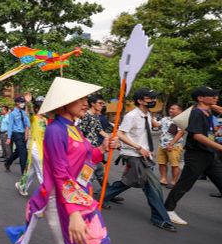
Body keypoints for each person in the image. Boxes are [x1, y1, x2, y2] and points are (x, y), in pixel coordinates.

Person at [5, 77, 123, 244]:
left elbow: (87, 157)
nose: (86, 103)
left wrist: (102, 147)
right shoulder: (56, 130)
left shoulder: (74, 128)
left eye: (85, 99)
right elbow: (61, 174)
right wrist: (74, 214)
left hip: (83, 199)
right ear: (64, 103)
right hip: (62, 201)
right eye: (80, 99)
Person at [101, 88, 177, 232]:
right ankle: (160, 218)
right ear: (140, 100)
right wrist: (138, 147)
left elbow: (151, 127)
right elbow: (120, 134)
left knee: (129, 182)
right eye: (150, 98)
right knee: (153, 186)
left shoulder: (147, 114)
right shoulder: (132, 115)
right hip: (133, 155)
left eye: (154, 98)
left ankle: (101, 196)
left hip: (144, 156)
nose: (153, 101)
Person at [164, 87, 222, 225]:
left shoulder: (207, 111)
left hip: (209, 155)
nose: (216, 97)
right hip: (197, 155)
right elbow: (197, 135)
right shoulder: (197, 113)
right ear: (200, 98)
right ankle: (168, 209)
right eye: (212, 95)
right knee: (184, 184)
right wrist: (220, 147)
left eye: (216, 95)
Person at [77, 94, 115, 198]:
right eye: (100, 103)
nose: (102, 105)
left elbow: (100, 130)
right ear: (92, 104)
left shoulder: (96, 116)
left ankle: (107, 195)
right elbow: (80, 131)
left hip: (96, 149)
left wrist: (110, 138)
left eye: (103, 103)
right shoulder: (86, 115)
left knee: (100, 173)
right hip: (87, 150)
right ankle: (82, 195)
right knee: (88, 175)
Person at [15, 96, 47, 197]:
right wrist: (29, 103)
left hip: (42, 147)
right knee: (41, 170)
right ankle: (47, 193)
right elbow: (31, 112)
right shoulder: (34, 118)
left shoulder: (45, 120)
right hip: (34, 147)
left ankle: (22, 185)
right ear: (38, 108)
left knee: (33, 170)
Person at [157, 104, 185, 188]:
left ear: (179, 111)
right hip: (162, 145)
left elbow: (180, 133)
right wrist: (148, 116)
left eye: (173, 109)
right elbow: (156, 125)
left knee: (174, 164)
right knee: (161, 163)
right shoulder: (165, 119)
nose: (170, 110)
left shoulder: (181, 120)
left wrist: (171, 144)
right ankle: (163, 179)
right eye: (170, 108)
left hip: (174, 146)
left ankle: (174, 181)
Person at [4, 97, 30, 173]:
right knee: (23, 152)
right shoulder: (12, 114)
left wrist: (26, 133)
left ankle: (8, 162)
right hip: (16, 134)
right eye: (22, 102)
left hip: (23, 134)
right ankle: (24, 172)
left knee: (18, 151)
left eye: (23, 102)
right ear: (17, 103)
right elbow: (10, 126)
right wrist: (9, 137)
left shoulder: (23, 112)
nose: (23, 104)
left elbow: (27, 124)